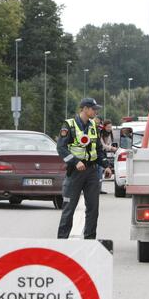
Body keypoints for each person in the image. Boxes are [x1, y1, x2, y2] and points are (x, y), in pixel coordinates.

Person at [56, 98, 113, 239]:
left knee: (93, 209)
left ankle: (90, 240)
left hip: (92, 172)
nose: (96, 111)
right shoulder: (69, 125)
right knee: (69, 208)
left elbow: (98, 150)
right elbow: (61, 148)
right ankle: (62, 241)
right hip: (75, 172)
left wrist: (106, 166)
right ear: (85, 109)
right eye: (94, 109)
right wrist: (75, 162)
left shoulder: (94, 125)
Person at [98, 120, 117, 194]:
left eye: (111, 127)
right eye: (108, 127)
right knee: (98, 172)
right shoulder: (100, 133)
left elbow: (109, 144)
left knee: (100, 172)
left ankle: (99, 189)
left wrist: (112, 148)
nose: (110, 128)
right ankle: (97, 189)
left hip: (103, 153)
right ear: (104, 127)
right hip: (98, 153)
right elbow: (102, 145)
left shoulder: (109, 134)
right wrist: (111, 148)